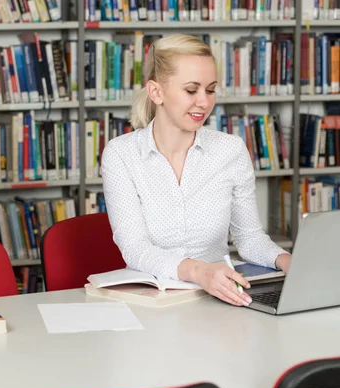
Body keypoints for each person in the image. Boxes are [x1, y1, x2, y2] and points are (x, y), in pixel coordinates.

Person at [100, 34, 292, 307]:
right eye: (191, 90)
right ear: (156, 92)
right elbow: (136, 249)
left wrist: (288, 262)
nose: (204, 102)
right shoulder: (121, 154)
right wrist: (200, 272)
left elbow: (248, 238)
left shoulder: (231, 150)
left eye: (210, 90)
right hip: (151, 305)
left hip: (219, 299)